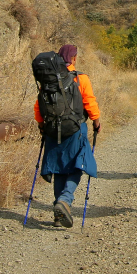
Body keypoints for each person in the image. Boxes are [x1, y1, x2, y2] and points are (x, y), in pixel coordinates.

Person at [34, 44, 100, 228]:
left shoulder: (48, 79)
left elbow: (39, 106)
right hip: (75, 129)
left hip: (51, 130)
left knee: (58, 168)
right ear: (74, 58)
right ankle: (65, 200)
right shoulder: (80, 78)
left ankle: (59, 213)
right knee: (77, 165)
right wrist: (96, 120)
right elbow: (89, 101)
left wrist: (41, 125)